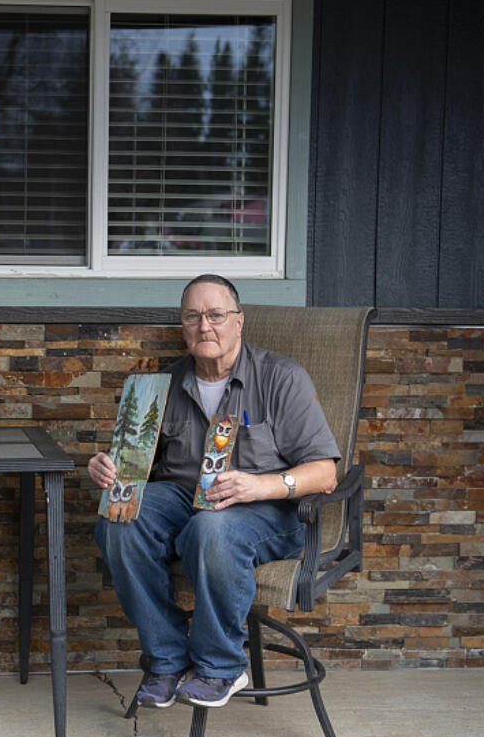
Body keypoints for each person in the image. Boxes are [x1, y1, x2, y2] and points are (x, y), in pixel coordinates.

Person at [90, 274, 340, 709]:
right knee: (121, 518)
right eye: (193, 316)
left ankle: (220, 668)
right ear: (182, 325)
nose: (205, 326)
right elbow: (137, 464)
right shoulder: (162, 384)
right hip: (183, 499)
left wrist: (261, 484)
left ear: (239, 322)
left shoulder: (282, 378)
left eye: (216, 315)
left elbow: (325, 473)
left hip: (266, 510)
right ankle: (167, 661)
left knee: (212, 529)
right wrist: (108, 468)